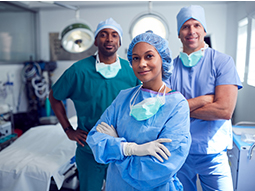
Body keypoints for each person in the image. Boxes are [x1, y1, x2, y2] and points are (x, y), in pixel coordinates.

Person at [86, 31, 191, 191]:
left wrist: (117, 150)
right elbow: (94, 139)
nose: (141, 63)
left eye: (149, 56)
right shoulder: (124, 98)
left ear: (163, 59)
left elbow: (160, 167)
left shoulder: (177, 105)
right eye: (135, 58)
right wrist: (131, 149)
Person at [49, 18, 140, 191]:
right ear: (96, 40)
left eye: (114, 35)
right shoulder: (79, 71)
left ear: (120, 41)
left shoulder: (131, 71)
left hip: (122, 148)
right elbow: (54, 96)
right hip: (90, 150)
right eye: (103, 35)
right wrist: (68, 130)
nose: (109, 39)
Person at [164, 5, 243, 191]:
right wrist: (205, 100)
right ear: (178, 33)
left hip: (213, 153)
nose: (191, 31)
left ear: (204, 30)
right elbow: (166, 110)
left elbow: (224, 110)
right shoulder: (170, 70)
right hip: (179, 151)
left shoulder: (222, 62)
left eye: (196, 25)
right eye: (185, 26)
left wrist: (181, 108)